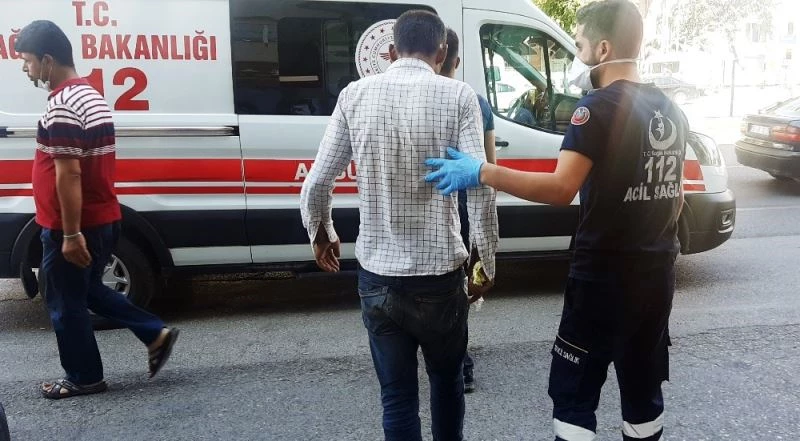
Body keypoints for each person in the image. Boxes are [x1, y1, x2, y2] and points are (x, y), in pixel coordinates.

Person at [424, 1, 687, 440]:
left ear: (603, 49)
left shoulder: (596, 108)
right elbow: (674, 199)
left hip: (601, 278)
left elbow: (561, 188)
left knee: (574, 392)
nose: (578, 55)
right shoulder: (670, 109)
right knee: (643, 388)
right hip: (657, 275)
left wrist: (483, 171)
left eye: (580, 45)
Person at [300, 10, 498, 441]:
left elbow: (317, 181)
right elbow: (480, 185)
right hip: (440, 276)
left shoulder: (354, 95)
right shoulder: (460, 96)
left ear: (391, 52)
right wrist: (484, 261)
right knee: (446, 383)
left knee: (397, 396)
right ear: (441, 52)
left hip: (377, 276)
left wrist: (321, 232)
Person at [16, 20, 179, 400]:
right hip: (102, 217)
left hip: (75, 225)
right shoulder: (89, 94)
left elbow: (69, 173)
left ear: (48, 60)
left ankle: (84, 376)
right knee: (87, 290)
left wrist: (71, 234)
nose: (25, 68)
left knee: (65, 303)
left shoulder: (63, 104)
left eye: (27, 60)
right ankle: (154, 332)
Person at [439, 28, 496, 394]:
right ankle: (461, 364)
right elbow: (489, 167)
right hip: (460, 203)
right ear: (455, 60)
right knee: (456, 282)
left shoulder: (405, 98)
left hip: (421, 203)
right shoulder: (476, 102)